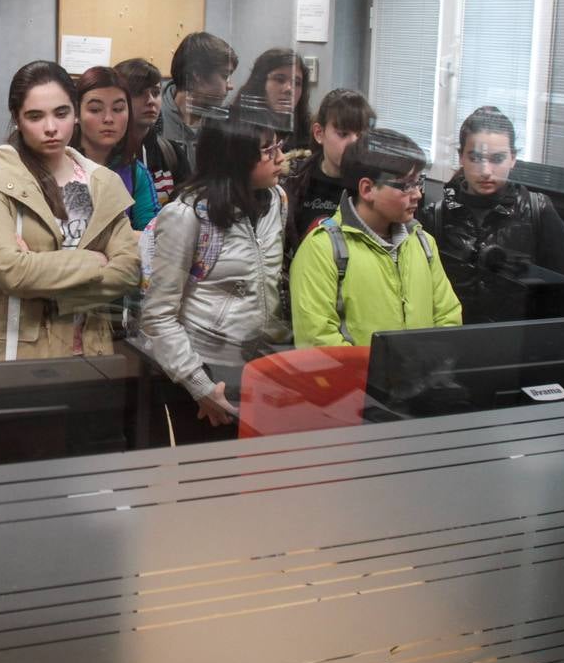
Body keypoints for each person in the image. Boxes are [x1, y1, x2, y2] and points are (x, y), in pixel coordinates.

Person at [0, 60, 140, 361]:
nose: (50, 128)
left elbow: (128, 270)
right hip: (19, 356)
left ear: (75, 113)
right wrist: (94, 261)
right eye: (35, 116)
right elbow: (13, 273)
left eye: (61, 113)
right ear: (17, 118)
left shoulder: (99, 181)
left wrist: (43, 277)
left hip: (91, 351)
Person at [140, 102, 290, 443]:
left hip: (257, 366)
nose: (281, 158)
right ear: (235, 157)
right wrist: (199, 385)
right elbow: (158, 316)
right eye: (268, 150)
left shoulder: (277, 200)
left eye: (279, 146)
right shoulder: (187, 216)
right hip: (201, 370)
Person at [291, 128, 461, 347]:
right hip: (360, 371)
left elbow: (448, 316)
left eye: (418, 182)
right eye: (406, 185)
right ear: (367, 189)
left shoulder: (423, 243)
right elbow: (317, 340)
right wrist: (379, 369)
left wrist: (429, 363)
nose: (417, 194)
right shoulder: (323, 249)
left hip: (422, 369)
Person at [419, 106, 564, 284]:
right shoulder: (436, 216)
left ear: (513, 158)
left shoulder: (536, 210)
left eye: (497, 159)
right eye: (475, 158)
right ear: (461, 157)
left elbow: (562, 286)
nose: (486, 171)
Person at [284, 88, 376, 260]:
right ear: (319, 133)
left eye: (360, 135)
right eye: (343, 134)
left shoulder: (373, 187)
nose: (353, 143)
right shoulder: (293, 181)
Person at [70, 66, 158, 230]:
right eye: (95, 109)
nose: (108, 119)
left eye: (118, 109)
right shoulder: (59, 165)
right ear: (76, 114)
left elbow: (150, 234)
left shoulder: (135, 172)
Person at [158, 32, 237, 184]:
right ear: (197, 75)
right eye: (224, 75)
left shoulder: (225, 124)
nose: (230, 86)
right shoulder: (153, 119)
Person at [114, 57, 182, 207]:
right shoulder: (104, 152)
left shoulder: (171, 152)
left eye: (156, 92)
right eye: (139, 93)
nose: (150, 100)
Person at [236, 48, 311, 150]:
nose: (289, 89)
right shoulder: (236, 127)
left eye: (297, 83)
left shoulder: (308, 131)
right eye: (280, 79)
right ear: (260, 83)